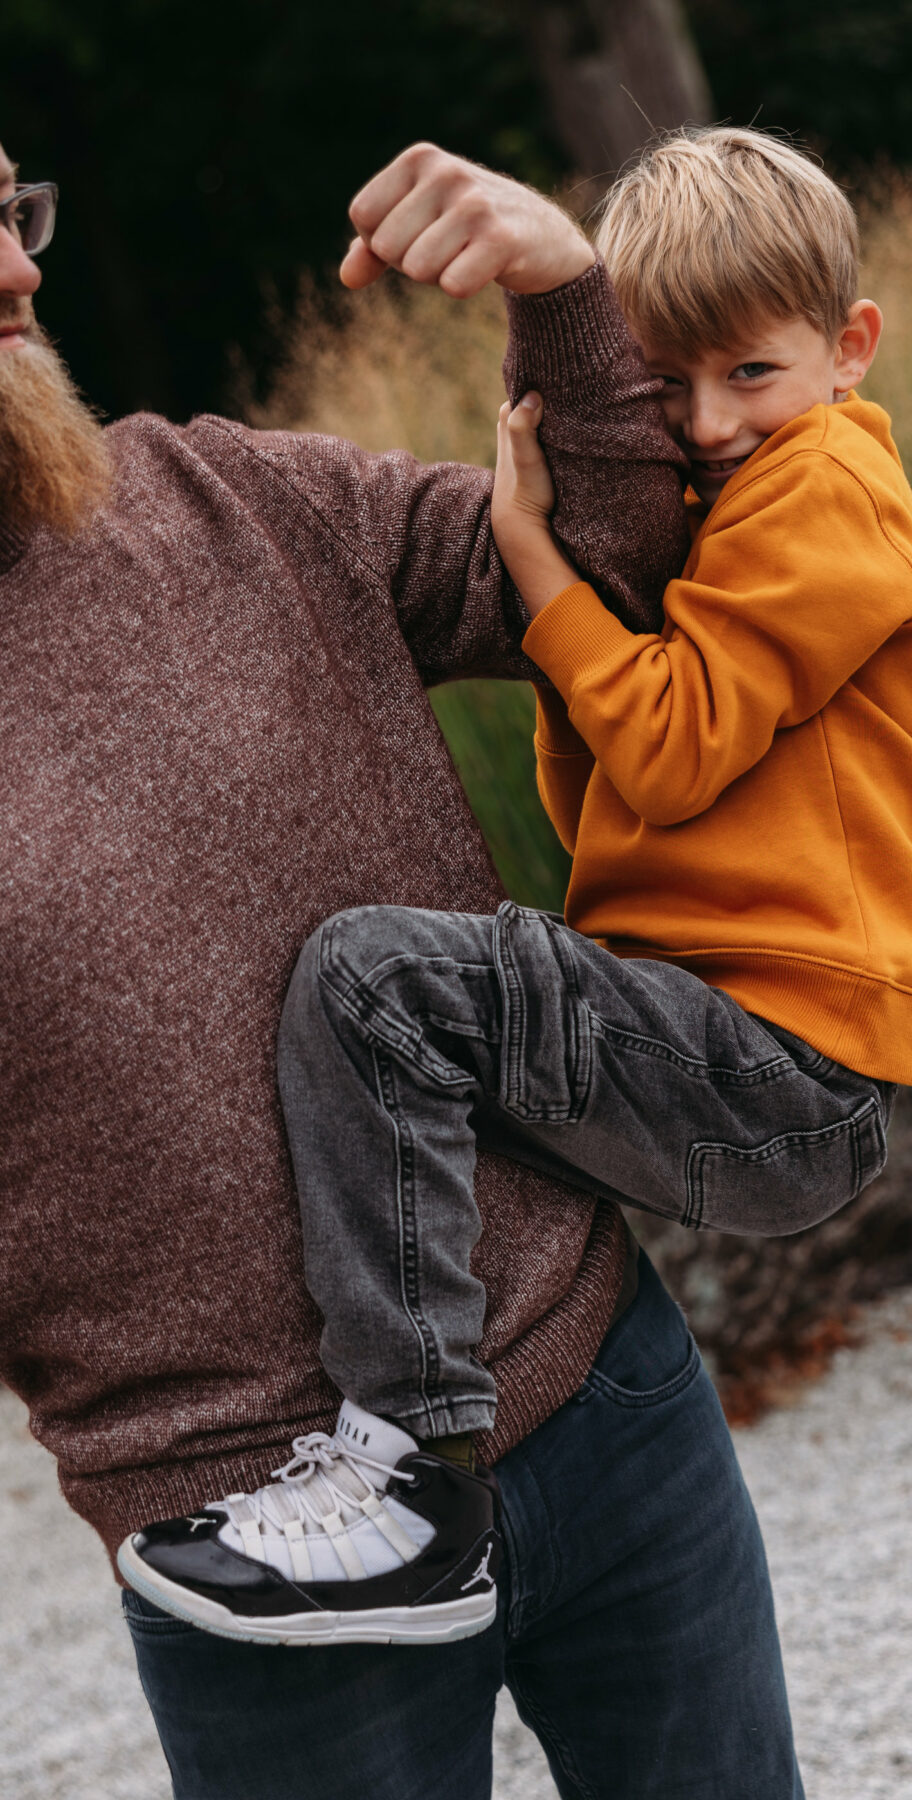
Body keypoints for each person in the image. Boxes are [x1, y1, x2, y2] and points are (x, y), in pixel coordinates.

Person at [0, 138, 806, 1797]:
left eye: (10, 212)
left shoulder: (225, 501)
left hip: (602, 1391)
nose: (20, 273)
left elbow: (618, 564)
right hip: (258, 1544)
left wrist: (566, 297)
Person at [116, 124, 912, 1670]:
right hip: (731, 1034)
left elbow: (671, 740)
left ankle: (414, 1471)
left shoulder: (830, 487)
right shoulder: (757, 479)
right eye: (670, 389)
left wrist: (534, 563)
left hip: (784, 1055)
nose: (709, 428)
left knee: (382, 981)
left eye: (749, 378)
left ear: (850, 349)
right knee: (412, 1043)